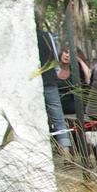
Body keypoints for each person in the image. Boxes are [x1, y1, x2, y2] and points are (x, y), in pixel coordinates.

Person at [35, 20, 71, 151]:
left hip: (34, 83)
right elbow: (55, 58)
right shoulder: (47, 36)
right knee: (59, 120)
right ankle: (66, 152)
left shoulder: (24, 36)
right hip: (49, 80)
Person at [56, 46, 92, 116]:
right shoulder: (54, 68)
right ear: (62, 53)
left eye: (71, 54)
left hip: (72, 107)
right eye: (66, 52)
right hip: (56, 106)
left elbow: (89, 79)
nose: (67, 55)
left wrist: (80, 61)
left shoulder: (75, 72)